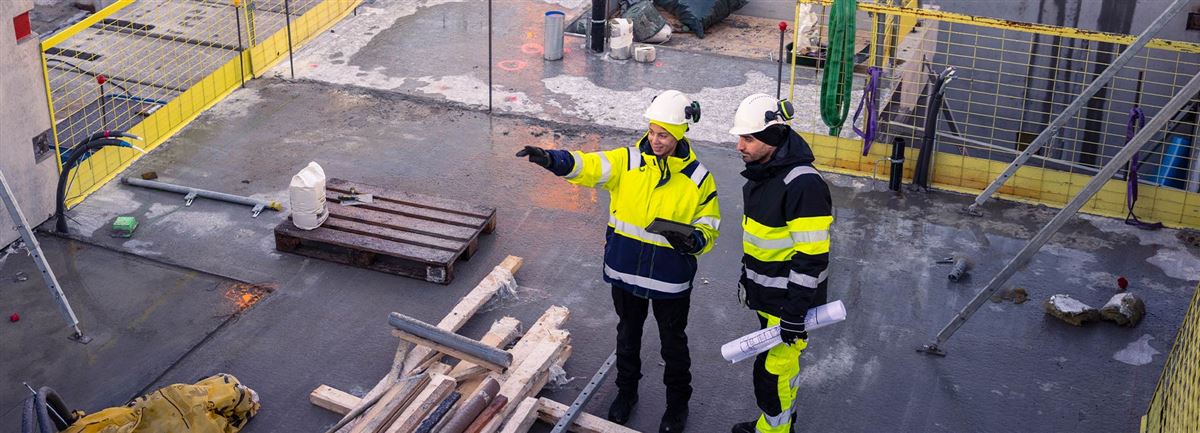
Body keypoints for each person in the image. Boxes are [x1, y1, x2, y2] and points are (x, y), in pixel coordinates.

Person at [516, 90, 720, 433]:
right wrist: (551, 159)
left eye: (664, 135)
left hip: (670, 280)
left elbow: (710, 224)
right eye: (652, 132)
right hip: (626, 273)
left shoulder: (699, 179)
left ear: (680, 134)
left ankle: (677, 407)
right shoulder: (627, 162)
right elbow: (587, 165)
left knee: (673, 344)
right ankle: (626, 394)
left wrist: (696, 239)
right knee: (627, 335)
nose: (655, 140)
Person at [726, 94, 833, 433]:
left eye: (749, 138)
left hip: (789, 305)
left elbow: (811, 257)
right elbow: (760, 241)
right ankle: (771, 424)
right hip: (770, 299)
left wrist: (794, 314)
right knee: (776, 371)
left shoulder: (802, 184)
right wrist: (748, 278)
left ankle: (775, 429)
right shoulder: (764, 173)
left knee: (773, 376)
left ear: (772, 139)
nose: (740, 145)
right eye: (739, 137)